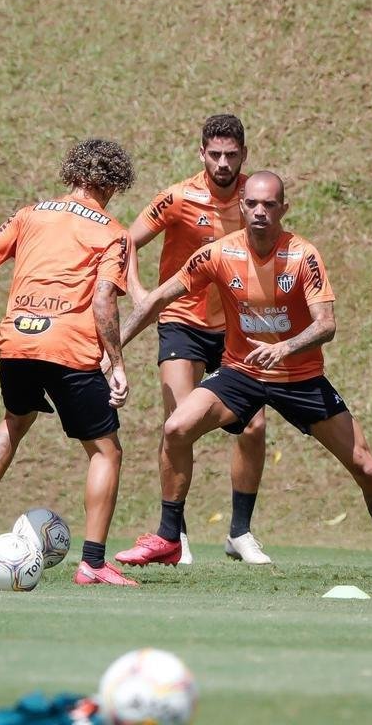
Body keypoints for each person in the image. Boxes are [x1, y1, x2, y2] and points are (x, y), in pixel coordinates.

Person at [114, 171, 372, 581]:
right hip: (241, 373)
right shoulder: (219, 253)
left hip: (300, 377)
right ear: (242, 207)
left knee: (367, 468)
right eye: (252, 204)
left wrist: (285, 347)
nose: (259, 211)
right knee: (177, 427)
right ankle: (169, 537)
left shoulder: (302, 255)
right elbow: (158, 300)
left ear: (283, 209)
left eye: (269, 205)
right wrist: (114, 355)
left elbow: (326, 324)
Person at [0, 139, 139, 587]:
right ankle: (92, 562)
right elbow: (104, 299)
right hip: (67, 347)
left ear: (73, 175)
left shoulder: (31, 214)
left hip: (16, 343)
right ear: (115, 183)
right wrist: (117, 362)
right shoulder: (112, 232)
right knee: (106, 451)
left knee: (15, 418)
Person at [124, 114, 269, 565]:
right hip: (181, 324)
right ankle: (176, 534)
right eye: (214, 154)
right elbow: (125, 242)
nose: (223, 163)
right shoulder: (177, 197)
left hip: (235, 331)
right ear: (201, 153)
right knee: (179, 426)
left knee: (254, 427)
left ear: (244, 155)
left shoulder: (255, 199)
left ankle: (239, 533)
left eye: (231, 155)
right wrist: (139, 292)